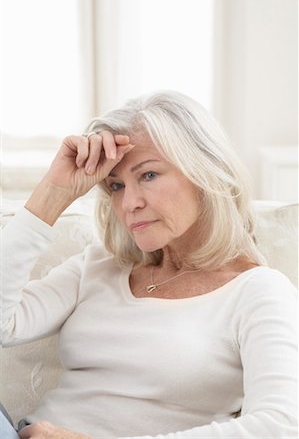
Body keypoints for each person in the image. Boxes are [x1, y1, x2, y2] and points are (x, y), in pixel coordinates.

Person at [1, 91, 297, 439]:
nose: (129, 203)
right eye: (115, 185)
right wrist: (53, 192)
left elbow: (280, 425)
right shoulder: (97, 266)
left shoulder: (258, 291)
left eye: (149, 175)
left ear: (205, 172)